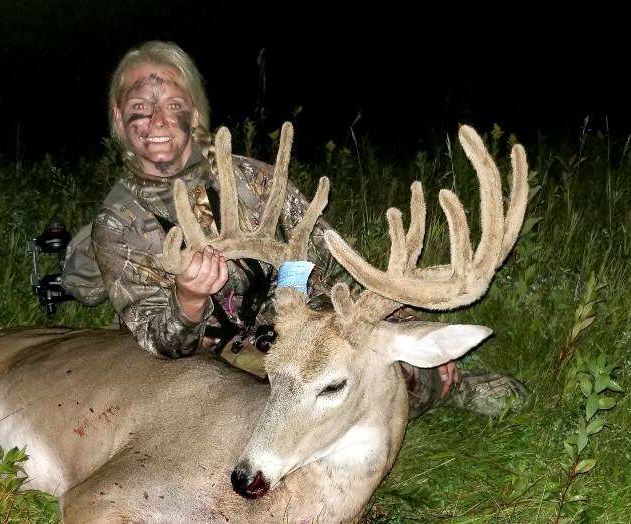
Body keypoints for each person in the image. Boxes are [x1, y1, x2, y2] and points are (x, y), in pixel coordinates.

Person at [62, 40, 525, 418]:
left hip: (294, 328)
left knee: (393, 370)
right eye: (141, 106)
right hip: (202, 361)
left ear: (195, 115)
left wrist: (404, 325)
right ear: (121, 120)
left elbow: (326, 258)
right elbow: (156, 342)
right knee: (240, 413)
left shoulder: (252, 179)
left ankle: (448, 384)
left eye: (173, 105)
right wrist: (187, 301)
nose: (158, 120)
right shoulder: (117, 223)